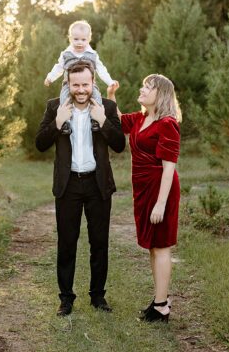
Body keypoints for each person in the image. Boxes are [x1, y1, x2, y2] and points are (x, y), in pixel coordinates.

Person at [35, 59, 125, 315]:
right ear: (68, 84)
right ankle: (66, 299)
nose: (81, 89)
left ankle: (98, 296)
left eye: (85, 84)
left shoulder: (106, 106)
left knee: (99, 243)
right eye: (76, 85)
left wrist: (104, 121)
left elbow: (119, 145)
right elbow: (40, 144)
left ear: (93, 82)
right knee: (67, 243)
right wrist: (57, 122)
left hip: (98, 185)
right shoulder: (55, 107)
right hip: (68, 185)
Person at [108, 74, 181, 323]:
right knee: (152, 245)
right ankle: (159, 299)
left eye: (147, 87)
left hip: (161, 188)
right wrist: (110, 96)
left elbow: (169, 168)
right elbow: (117, 120)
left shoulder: (167, 123)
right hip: (142, 189)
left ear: (159, 94)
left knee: (161, 246)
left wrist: (161, 203)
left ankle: (161, 307)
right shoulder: (141, 119)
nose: (141, 89)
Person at [44, 20, 119, 133]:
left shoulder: (92, 55)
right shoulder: (66, 54)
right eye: (76, 39)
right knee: (64, 100)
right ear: (70, 38)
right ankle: (66, 123)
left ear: (89, 39)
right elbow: (58, 68)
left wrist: (109, 82)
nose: (79, 42)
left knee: (97, 98)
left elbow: (101, 69)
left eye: (83, 40)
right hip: (68, 85)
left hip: (89, 85)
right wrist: (50, 77)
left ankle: (95, 121)